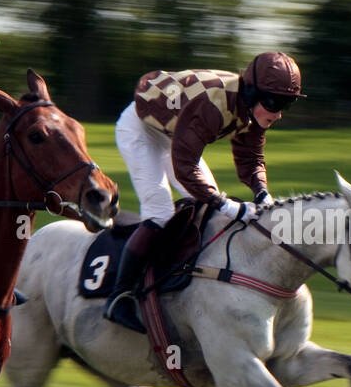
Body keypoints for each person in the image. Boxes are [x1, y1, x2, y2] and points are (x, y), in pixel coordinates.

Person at [104, 51, 305, 333]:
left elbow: (250, 158)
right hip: (141, 129)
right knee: (161, 211)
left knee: (210, 202)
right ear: (251, 92)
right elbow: (185, 167)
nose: (279, 112)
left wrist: (262, 195)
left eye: (288, 103)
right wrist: (224, 204)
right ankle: (119, 296)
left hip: (178, 131)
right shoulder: (212, 105)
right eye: (275, 102)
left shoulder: (250, 108)